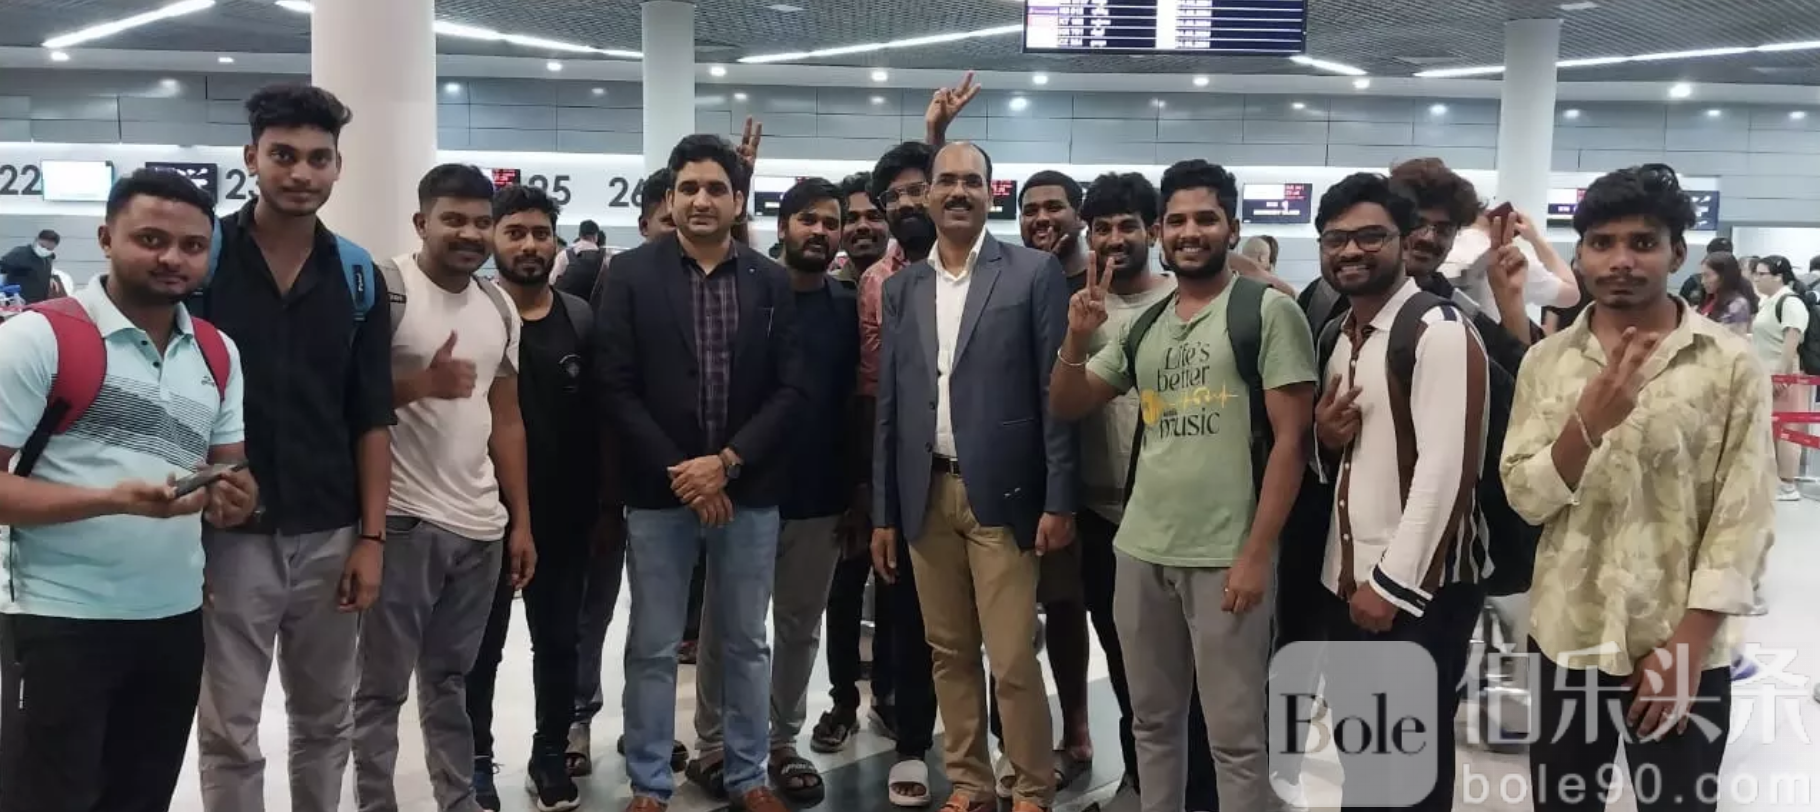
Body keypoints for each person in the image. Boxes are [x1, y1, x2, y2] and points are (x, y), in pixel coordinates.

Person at [1502, 164, 1773, 812]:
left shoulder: (1729, 364)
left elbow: (1743, 518)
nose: (1621, 260)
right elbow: (1524, 496)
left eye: (1642, 243)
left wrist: (1687, 646)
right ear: (1580, 254)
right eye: (1602, 243)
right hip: (1569, 635)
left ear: (1677, 254)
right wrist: (1585, 428)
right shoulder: (1545, 361)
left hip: (1682, 644)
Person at [1050, 161, 1312, 812]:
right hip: (1140, 551)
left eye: (1205, 219)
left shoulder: (1267, 312)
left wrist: (1257, 553)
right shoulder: (1145, 324)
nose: (1190, 232)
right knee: (1152, 724)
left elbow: (1291, 442)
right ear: (1161, 232)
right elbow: (1069, 402)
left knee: (1235, 737)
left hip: (1225, 554)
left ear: (1232, 228)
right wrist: (1077, 337)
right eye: (1177, 221)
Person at [0, 169, 257, 812]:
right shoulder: (37, 337)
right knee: (48, 796)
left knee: (141, 796)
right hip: (56, 618)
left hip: (172, 621)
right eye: (151, 239)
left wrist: (236, 498)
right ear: (106, 239)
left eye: (192, 246)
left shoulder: (218, 352)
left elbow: (232, 468)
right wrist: (113, 500)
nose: (172, 258)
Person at [187, 83, 393, 812]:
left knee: (324, 720)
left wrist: (372, 538)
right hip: (227, 535)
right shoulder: (204, 260)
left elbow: (371, 417)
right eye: (283, 155)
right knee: (230, 727)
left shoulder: (358, 276)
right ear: (252, 158)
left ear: (338, 166)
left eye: (317, 158)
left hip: (331, 531)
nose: (301, 173)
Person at [597, 133, 804, 812]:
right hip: (660, 495)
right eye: (688, 188)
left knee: (745, 642)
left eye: (716, 188)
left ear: (738, 200)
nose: (701, 199)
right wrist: (684, 474)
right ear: (670, 197)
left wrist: (727, 464)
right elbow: (615, 386)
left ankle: (748, 775)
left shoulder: (771, 280)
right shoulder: (630, 274)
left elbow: (790, 389)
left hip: (749, 491)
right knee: (653, 644)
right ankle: (650, 782)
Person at [871, 141, 1074, 812]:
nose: (958, 191)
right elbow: (890, 407)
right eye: (946, 181)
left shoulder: (1032, 273)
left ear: (991, 193)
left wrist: (1059, 497)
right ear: (928, 193)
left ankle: (1032, 786)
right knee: (948, 652)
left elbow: (1054, 395)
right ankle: (970, 781)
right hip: (924, 494)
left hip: (1005, 495)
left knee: (1011, 657)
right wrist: (883, 513)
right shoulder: (902, 288)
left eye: (972, 181)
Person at [352, 164, 536, 812]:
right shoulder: (387, 289)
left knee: (450, 681)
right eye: (453, 219)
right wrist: (421, 385)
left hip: (480, 529)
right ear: (421, 222)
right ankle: (375, 804)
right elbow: (347, 400)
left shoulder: (498, 305)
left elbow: (506, 418)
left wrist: (520, 520)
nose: (469, 234)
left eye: (481, 222)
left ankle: (456, 800)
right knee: (380, 689)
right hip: (404, 520)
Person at [1310, 172, 1490, 812]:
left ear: (1401, 239)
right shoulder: (1339, 335)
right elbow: (1347, 461)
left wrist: (1391, 586)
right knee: (1363, 755)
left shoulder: (1438, 329)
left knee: (1409, 767)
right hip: (1348, 581)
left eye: (1370, 236)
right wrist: (1325, 439)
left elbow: (1448, 472)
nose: (1350, 251)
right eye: (1336, 239)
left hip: (1418, 594)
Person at [688, 178, 860, 807]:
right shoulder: (748, 293)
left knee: (799, 625)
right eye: (807, 220)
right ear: (782, 226)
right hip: (745, 490)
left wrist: (859, 490)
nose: (820, 231)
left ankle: (782, 741)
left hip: (820, 494)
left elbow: (855, 402)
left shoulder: (846, 307)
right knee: (726, 625)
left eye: (830, 222)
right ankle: (713, 745)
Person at [463, 184, 592, 812]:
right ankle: (476, 762)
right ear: (494, 239)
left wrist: (604, 509)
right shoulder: (474, 315)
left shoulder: (580, 318)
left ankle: (549, 754)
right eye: (515, 232)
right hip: (481, 513)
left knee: (560, 642)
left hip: (564, 515)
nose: (530, 245)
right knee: (480, 650)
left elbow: (597, 420)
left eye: (541, 233)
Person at [570, 168, 685, 778]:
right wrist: (604, 497)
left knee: (656, 625)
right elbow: (602, 396)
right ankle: (576, 721)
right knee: (592, 611)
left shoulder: (705, 295)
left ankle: (649, 732)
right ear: (644, 224)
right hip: (608, 486)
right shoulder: (605, 287)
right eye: (667, 221)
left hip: (675, 492)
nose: (679, 231)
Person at [850, 138, 944, 806]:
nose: (910, 203)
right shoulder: (878, 282)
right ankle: (912, 742)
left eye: (921, 189)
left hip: (979, 471)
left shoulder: (993, 267)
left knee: (987, 626)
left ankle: (990, 743)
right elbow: (875, 394)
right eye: (898, 195)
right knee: (908, 615)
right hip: (908, 472)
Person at [1438, 203, 1581, 320]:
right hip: (1491, 345)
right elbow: (1571, 294)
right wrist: (1535, 238)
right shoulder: (1513, 259)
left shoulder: (1436, 252)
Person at [1750, 254, 1809, 501]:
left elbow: (1791, 340)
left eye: (1761, 274)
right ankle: (1775, 479)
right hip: (1767, 374)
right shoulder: (1768, 302)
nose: (1756, 278)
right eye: (1755, 273)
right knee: (1771, 429)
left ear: (1778, 276)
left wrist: (1781, 375)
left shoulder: (1790, 302)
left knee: (1787, 431)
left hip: (1784, 377)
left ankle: (1788, 484)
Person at [1020, 170, 1088, 282]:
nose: (1041, 218)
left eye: (1054, 208)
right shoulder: (1005, 282)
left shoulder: (1108, 281)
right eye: (1030, 211)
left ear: (1080, 217)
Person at [834, 171, 887, 289]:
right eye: (851, 219)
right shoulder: (826, 289)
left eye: (873, 216)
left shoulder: (912, 286)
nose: (862, 226)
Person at [1695, 251, 1756, 334]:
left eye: (1707, 276)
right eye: (1702, 276)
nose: (1702, 281)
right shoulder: (1711, 298)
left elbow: (1728, 337)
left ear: (1724, 276)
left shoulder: (1738, 305)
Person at [0, 228, 59, 304]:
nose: (45, 250)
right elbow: (2, 266)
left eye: (49, 249)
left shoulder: (48, 257)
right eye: (42, 246)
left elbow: (47, 270)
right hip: (17, 303)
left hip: (38, 303)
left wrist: (51, 277)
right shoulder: (20, 254)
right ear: (36, 240)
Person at [551, 218, 602, 285]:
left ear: (579, 235)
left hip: (566, 291)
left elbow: (552, 280)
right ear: (595, 236)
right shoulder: (605, 258)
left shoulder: (564, 255)